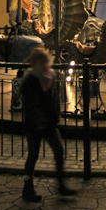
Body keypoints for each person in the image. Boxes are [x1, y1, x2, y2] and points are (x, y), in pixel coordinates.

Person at [20, 48, 76, 201]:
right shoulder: (31, 81)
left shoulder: (47, 77)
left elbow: (50, 101)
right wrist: (40, 121)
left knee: (58, 150)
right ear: (37, 64)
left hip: (48, 123)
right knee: (33, 155)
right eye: (43, 63)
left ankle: (60, 184)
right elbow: (32, 104)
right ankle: (28, 187)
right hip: (35, 124)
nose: (46, 66)